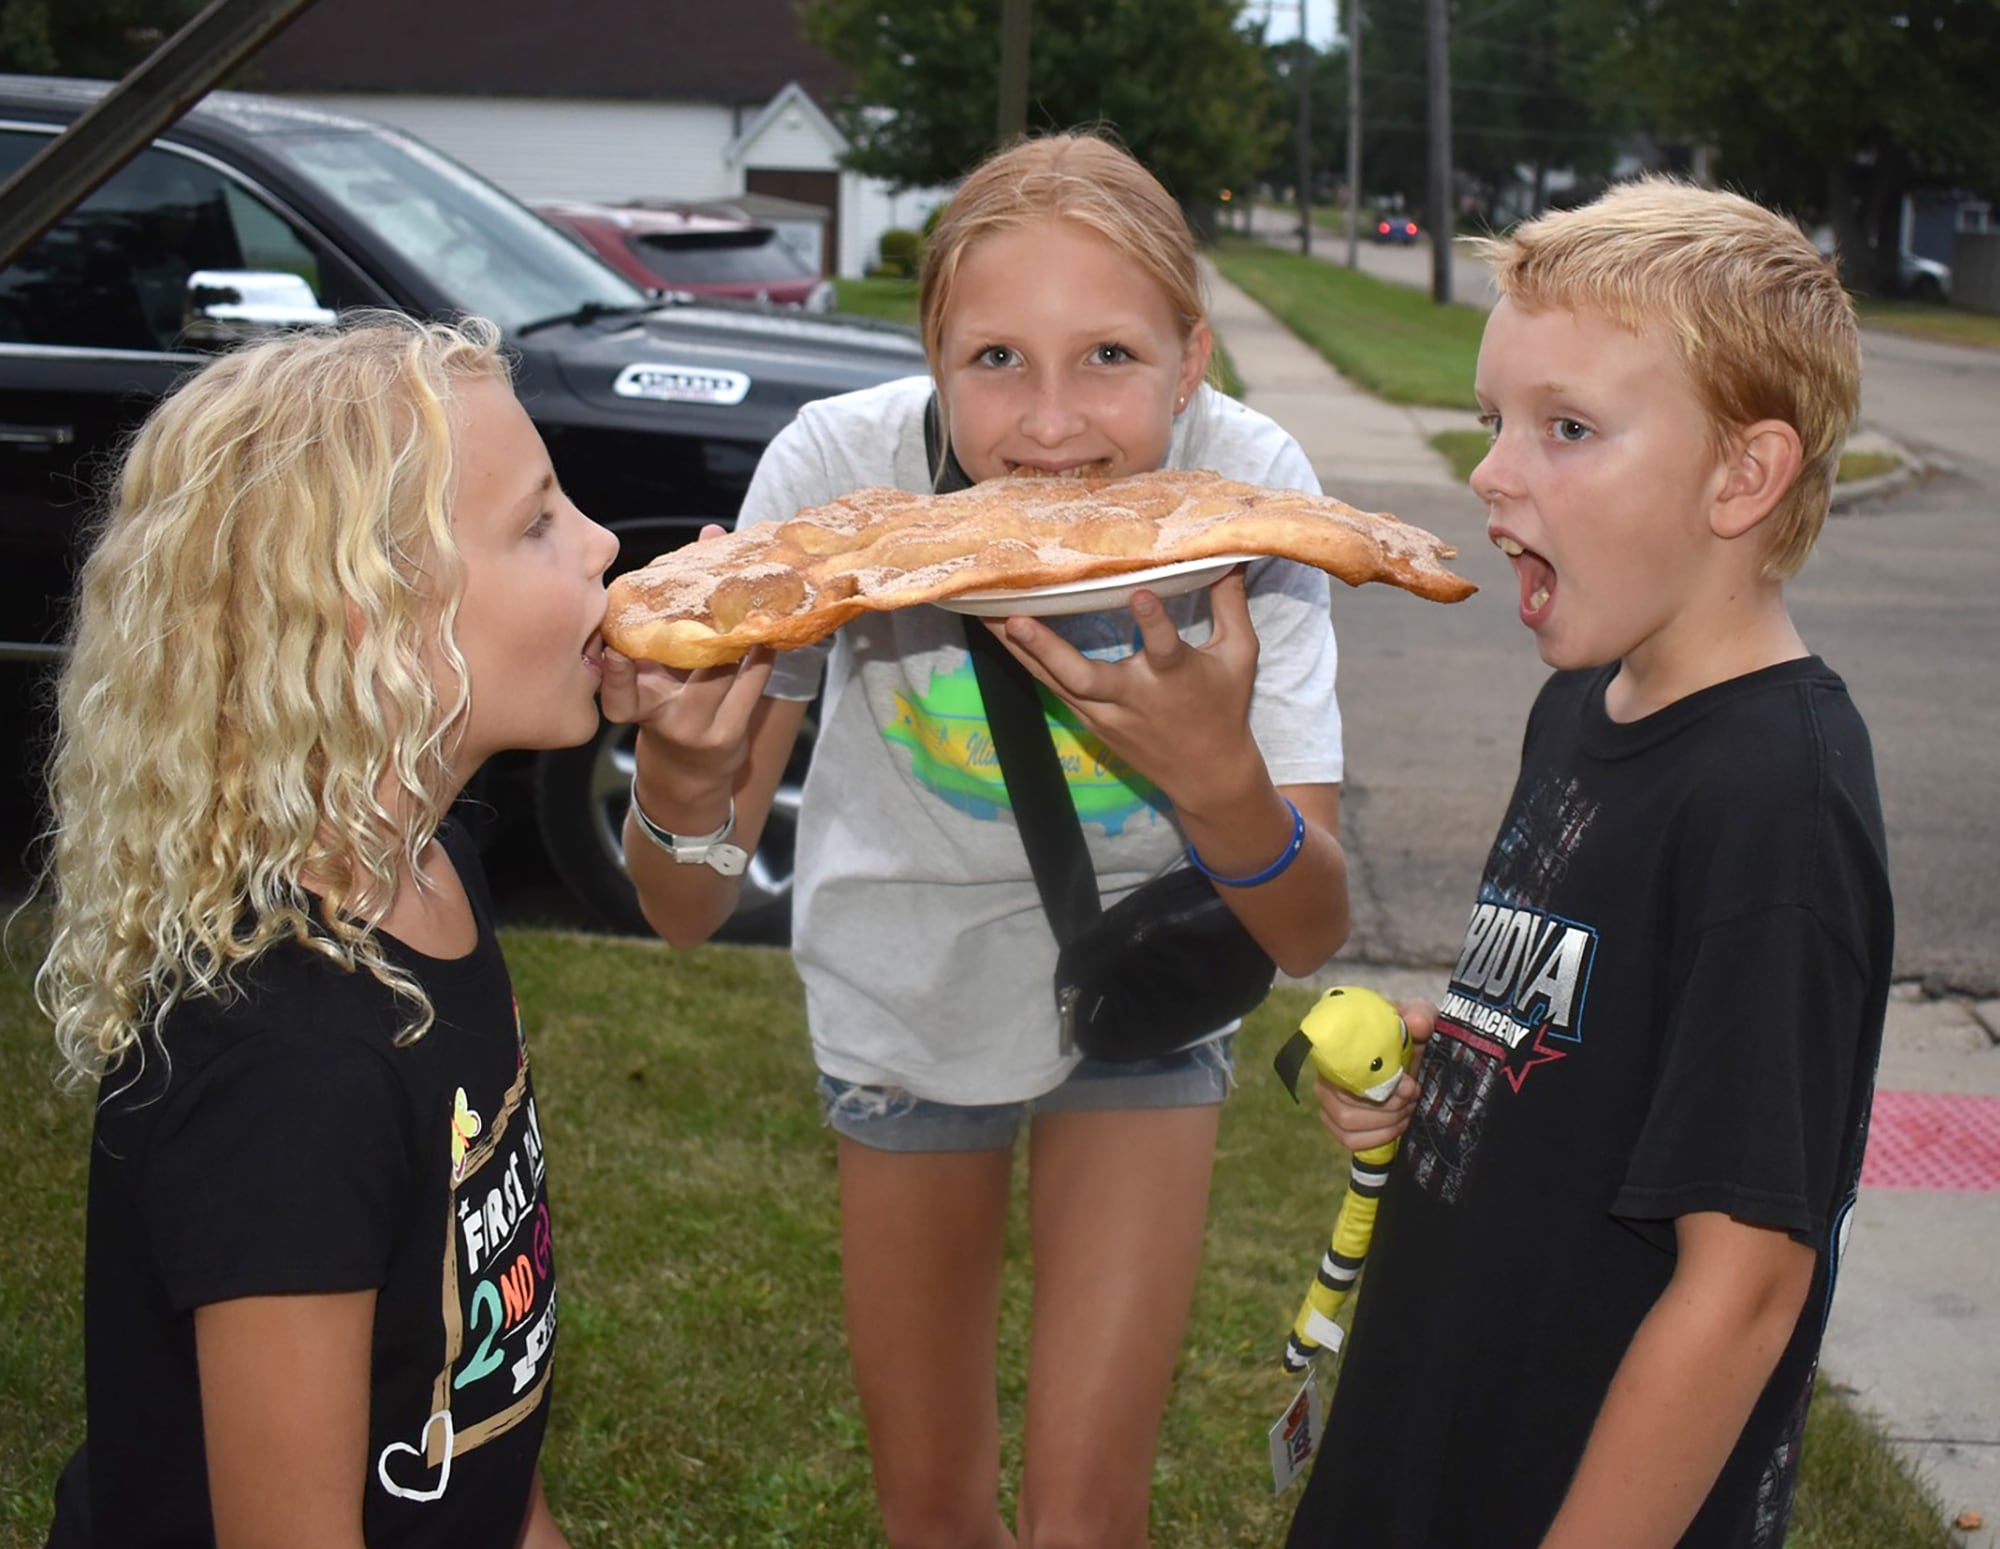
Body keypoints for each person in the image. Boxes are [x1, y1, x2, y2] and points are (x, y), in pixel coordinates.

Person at [600, 131, 1351, 1546]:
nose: (1050, 424)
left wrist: (1215, 772)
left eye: (1111, 358)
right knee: (933, 1515)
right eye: (995, 358)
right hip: (903, 991)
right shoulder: (839, 474)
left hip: (1142, 992)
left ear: (1194, 358)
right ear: (932, 359)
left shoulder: (1248, 495)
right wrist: (681, 783)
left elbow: (1306, 926)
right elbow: (687, 909)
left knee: (1083, 1522)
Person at [1286, 176, 1894, 1549]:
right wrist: (1462, 1071)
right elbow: (1599, 1036)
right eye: (1496, 418)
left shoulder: (1774, 801)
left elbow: (1743, 1283)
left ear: (1744, 475)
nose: (1493, 468)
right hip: (1433, 1429)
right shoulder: (1585, 703)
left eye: (1567, 429)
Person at [36, 313, 619, 1548]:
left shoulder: (433, 879)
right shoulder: (288, 1060)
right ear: (378, 626)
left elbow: (489, 1431)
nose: (604, 543)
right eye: (536, 523)